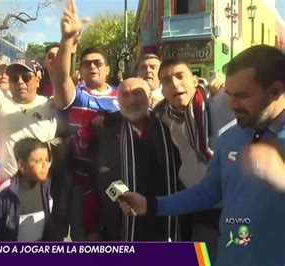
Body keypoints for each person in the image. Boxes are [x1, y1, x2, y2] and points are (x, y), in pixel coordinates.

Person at [120, 45, 285, 265]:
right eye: (229, 94)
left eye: (242, 95)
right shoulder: (230, 138)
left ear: (276, 90)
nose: (232, 104)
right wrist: (152, 205)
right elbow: (208, 191)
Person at [0, 0, 58, 182]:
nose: (20, 81)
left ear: (37, 79)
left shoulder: (51, 105)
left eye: (26, 77)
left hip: (43, 194)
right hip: (6, 193)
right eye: (14, 78)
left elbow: (66, 87)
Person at [150, 57, 236, 258]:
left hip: (233, 202)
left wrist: (224, 82)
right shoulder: (163, 114)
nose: (175, 84)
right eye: (166, 81)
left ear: (195, 80)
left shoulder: (223, 98)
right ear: (162, 89)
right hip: (199, 205)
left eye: (180, 76)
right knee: (202, 258)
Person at [49, 0, 119, 241]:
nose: (92, 67)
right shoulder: (76, 95)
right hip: (79, 185)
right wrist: (67, 39)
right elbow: (60, 78)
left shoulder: (124, 97)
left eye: (98, 63)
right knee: (84, 242)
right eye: (86, 63)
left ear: (107, 69)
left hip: (115, 183)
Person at [96, 78, 180, 241]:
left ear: (150, 96)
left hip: (165, 215)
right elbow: (102, 173)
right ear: (118, 101)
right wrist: (122, 196)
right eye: (125, 95)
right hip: (125, 218)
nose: (132, 100)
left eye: (137, 93)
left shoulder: (168, 126)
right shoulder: (110, 130)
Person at [0, 138, 56, 241]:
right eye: (38, 161)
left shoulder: (48, 188)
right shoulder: (5, 194)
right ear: (21, 165)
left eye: (46, 160)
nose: (45, 165)